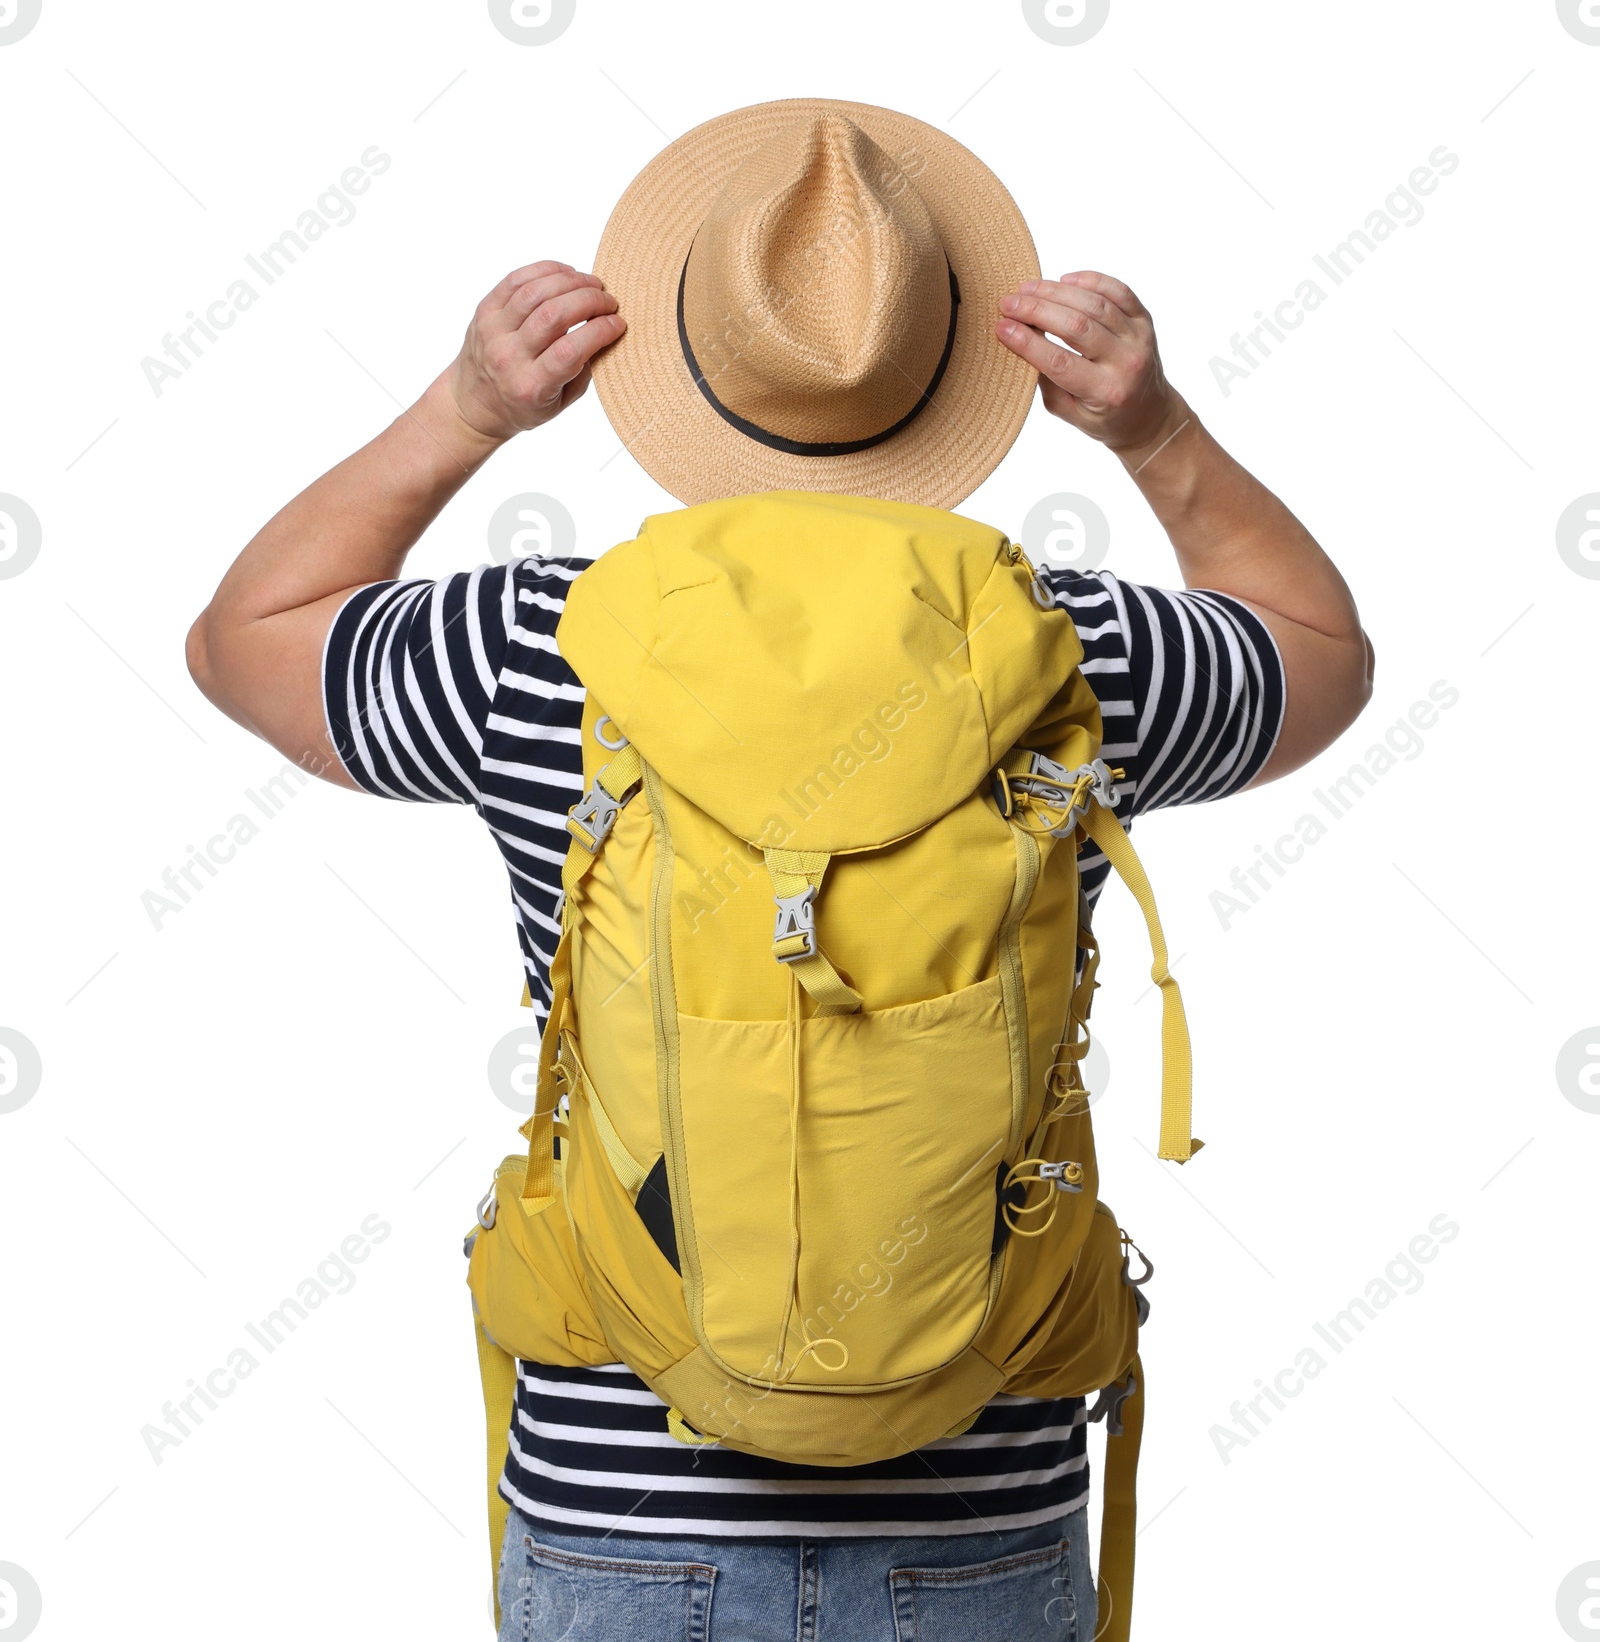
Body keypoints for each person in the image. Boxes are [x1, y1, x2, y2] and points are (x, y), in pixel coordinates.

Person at [188, 100, 1372, 1642]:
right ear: (957, 371)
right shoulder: (1078, 659)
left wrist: (464, 412)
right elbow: (1324, 657)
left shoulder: (538, 650)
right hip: (980, 1508)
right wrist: (1158, 432)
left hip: (622, 1519)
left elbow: (243, 641)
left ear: (680, 369)